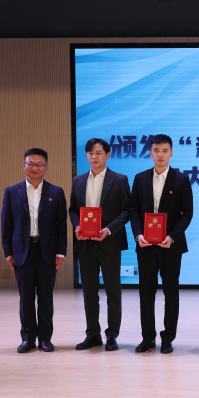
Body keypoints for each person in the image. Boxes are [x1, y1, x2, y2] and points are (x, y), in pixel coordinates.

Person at [129, 134, 193, 353]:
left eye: (165, 151)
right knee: (146, 293)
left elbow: (187, 213)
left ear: (171, 153)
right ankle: (148, 337)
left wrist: (172, 236)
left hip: (170, 245)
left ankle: (168, 338)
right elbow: (134, 211)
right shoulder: (140, 179)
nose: (160, 155)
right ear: (150, 153)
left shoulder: (181, 179)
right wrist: (138, 234)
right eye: (156, 150)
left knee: (171, 292)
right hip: (146, 245)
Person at [1, 148, 67, 353]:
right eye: (31, 163)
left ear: (46, 167)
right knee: (26, 298)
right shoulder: (12, 192)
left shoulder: (56, 192)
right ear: (24, 165)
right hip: (22, 251)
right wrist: (8, 251)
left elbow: (61, 225)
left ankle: (45, 338)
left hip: (47, 252)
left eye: (39, 164)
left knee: (46, 297)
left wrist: (61, 252)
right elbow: (6, 224)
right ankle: (28, 338)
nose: (35, 167)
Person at [68, 138, 131, 352]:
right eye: (89, 153)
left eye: (98, 153)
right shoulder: (77, 180)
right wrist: (77, 225)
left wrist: (109, 229)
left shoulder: (119, 179)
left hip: (109, 243)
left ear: (108, 155)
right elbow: (73, 210)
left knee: (113, 291)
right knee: (89, 292)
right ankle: (92, 334)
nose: (93, 157)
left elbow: (127, 211)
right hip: (85, 244)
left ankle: (112, 335)